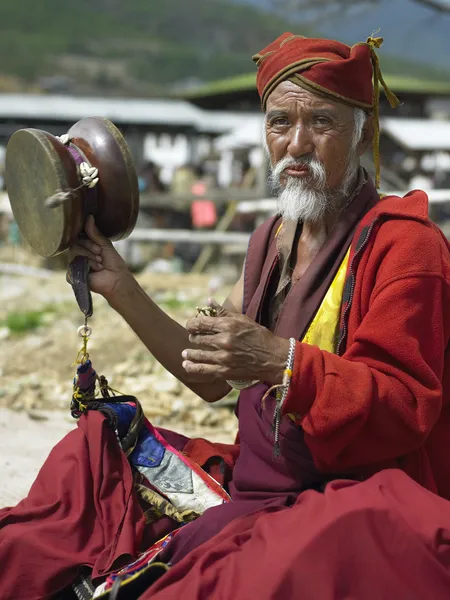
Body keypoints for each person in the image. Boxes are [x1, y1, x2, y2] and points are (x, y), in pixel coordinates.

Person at [2, 32, 450, 600]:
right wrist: (121, 286)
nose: (297, 144)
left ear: (362, 132)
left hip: (338, 494)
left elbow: (405, 405)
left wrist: (278, 360)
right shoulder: (272, 240)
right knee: (93, 454)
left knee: (313, 549)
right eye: (279, 122)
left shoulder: (406, 246)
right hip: (251, 486)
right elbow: (208, 375)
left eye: (323, 122)